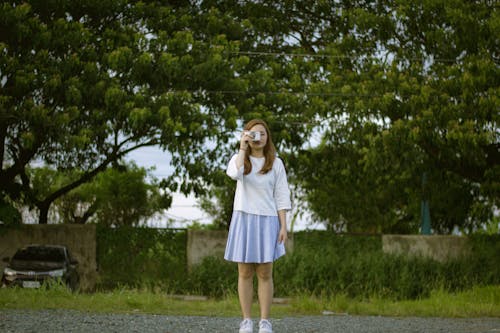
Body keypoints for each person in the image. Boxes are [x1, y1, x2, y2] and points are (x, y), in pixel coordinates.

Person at [224, 119, 291, 333]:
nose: (258, 138)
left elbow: (281, 196)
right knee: (244, 272)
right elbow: (235, 174)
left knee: (265, 273)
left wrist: (283, 226)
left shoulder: (276, 163)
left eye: (262, 134)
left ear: (268, 137)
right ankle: (246, 321)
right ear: (246, 136)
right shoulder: (238, 159)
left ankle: (265, 322)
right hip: (243, 218)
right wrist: (242, 148)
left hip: (268, 220)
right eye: (253, 134)